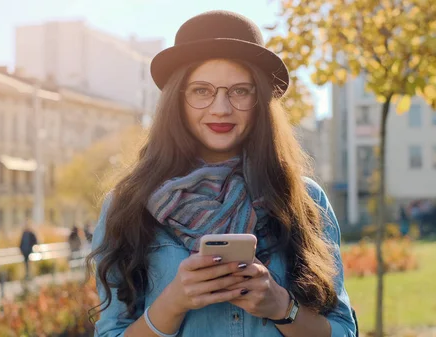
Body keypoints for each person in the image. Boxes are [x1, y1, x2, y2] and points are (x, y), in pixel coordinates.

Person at [89, 10, 356, 337]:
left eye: (240, 91)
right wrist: (172, 303)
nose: (221, 108)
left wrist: (281, 307)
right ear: (178, 100)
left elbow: (344, 331)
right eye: (202, 90)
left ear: (259, 100)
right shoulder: (128, 205)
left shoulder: (304, 199)